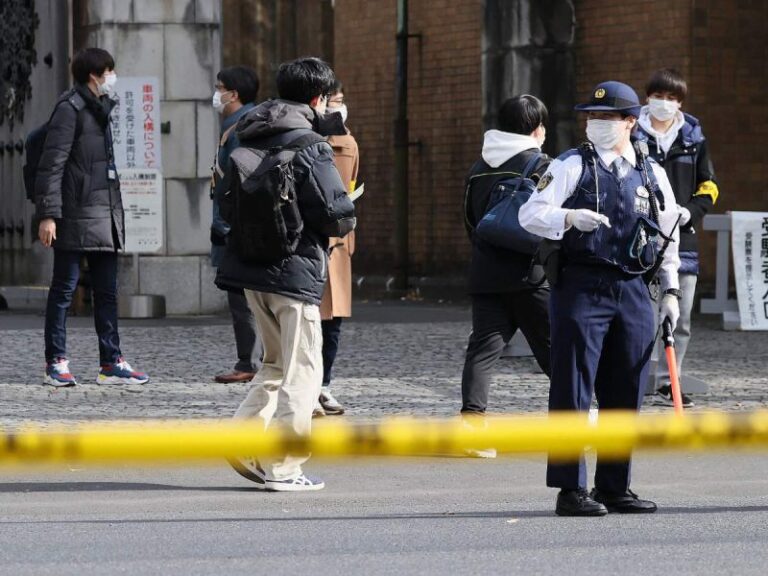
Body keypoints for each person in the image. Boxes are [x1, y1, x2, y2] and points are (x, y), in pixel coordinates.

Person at [519, 81, 681, 516]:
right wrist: (568, 216)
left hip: (632, 287)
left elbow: (668, 229)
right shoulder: (573, 163)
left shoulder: (650, 170)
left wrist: (671, 289)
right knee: (573, 386)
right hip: (582, 285)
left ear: (631, 122)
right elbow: (530, 213)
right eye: (593, 117)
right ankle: (570, 489)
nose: (597, 124)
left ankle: (614, 485)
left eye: (608, 118)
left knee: (626, 385)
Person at [216, 57, 355, 491]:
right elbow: (336, 213)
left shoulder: (247, 131)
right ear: (318, 98)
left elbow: (222, 200)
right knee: (303, 370)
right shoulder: (311, 144)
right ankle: (284, 466)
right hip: (294, 274)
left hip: (252, 271)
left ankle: (243, 442)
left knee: (274, 364)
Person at [35, 47, 148, 387]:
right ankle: (56, 361)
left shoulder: (99, 109)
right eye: (108, 71)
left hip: (103, 215)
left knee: (108, 292)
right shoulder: (70, 109)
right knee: (64, 292)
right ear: (94, 75)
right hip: (73, 214)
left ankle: (111, 362)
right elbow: (52, 164)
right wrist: (48, 215)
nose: (112, 77)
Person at [460, 95, 552, 457]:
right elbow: (551, 220)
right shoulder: (541, 163)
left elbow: (470, 219)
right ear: (536, 128)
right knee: (554, 349)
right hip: (530, 274)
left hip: (485, 273)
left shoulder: (478, 166)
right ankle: (577, 421)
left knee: (482, 351)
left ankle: (472, 426)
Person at [635, 68, 719, 408]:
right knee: (638, 314)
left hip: (682, 237)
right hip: (639, 237)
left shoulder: (693, 138)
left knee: (680, 316)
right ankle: (634, 380)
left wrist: (690, 212)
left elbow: (709, 186)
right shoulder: (632, 133)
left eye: (672, 98)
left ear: (681, 102)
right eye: (659, 97)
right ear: (647, 98)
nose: (664, 104)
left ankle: (671, 381)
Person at [209, 65, 264, 384]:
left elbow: (237, 180)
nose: (216, 94)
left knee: (242, 298)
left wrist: (225, 225)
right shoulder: (238, 124)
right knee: (246, 296)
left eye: (219, 87)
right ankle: (254, 360)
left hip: (236, 227)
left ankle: (249, 362)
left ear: (234, 93)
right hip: (239, 225)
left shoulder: (242, 126)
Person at [315, 80, 360, 417]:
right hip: (311, 239)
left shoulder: (348, 141)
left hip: (339, 240)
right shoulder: (305, 137)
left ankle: (323, 386)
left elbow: (353, 184)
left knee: (333, 323)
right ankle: (307, 388)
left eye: (342, 100)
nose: (339, 107)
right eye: (335, 100)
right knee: (307, 321)